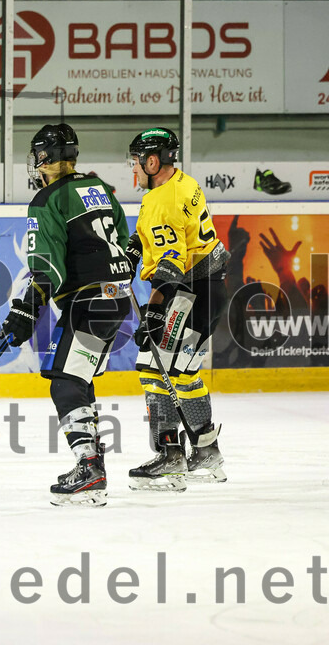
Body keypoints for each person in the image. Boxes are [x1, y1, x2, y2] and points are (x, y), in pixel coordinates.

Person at [0, 124, 132, 507]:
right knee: (78, 378)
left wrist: (26, 309)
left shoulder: (47, 200)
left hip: (88, 303)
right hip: (115, 300)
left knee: (63, 381)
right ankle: (92, 463)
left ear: (44, 158)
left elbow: (48, 269)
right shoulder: (100, 188)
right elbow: (122, 242)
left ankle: (89, 466)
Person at [125, 127, 230, 490]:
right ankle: (206, 452)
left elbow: (169, 267)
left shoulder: (160, 202)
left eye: (137, 162)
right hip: (212, 287)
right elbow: (164, 232)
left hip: (190, 294)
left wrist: (155, 312)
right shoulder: (184, 183)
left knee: (154, 367)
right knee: (182, 373)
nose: (133, 169)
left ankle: (171, 457)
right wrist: (133, 249)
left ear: (153, 162)